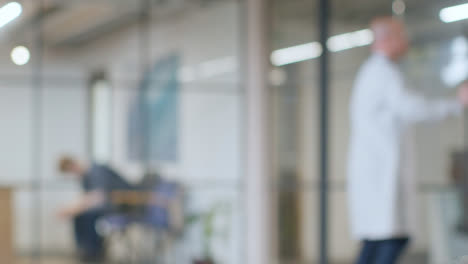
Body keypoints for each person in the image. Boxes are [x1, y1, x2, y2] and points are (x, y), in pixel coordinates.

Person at [347, 17, 468, 264]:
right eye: (402, 36)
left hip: (378, 174)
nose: (407, 42)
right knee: (389, 239)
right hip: (380, 175)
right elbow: (412, 107)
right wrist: (456, 103)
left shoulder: (376, 72)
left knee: (380, 240)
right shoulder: (381, 73)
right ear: (388, 39)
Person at [57, 156, 134, 262]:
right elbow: (87, 198)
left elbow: (97, 197)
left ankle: (93, 253)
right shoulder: (85, 177)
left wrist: (72, 209)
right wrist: (72, 209)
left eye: (70, 173)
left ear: (72, 166)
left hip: (123, 205)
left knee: (88, 215)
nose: (73, 176)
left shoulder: (96, 171)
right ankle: (84, 250)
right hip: (108, 206)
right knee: (80, 215)